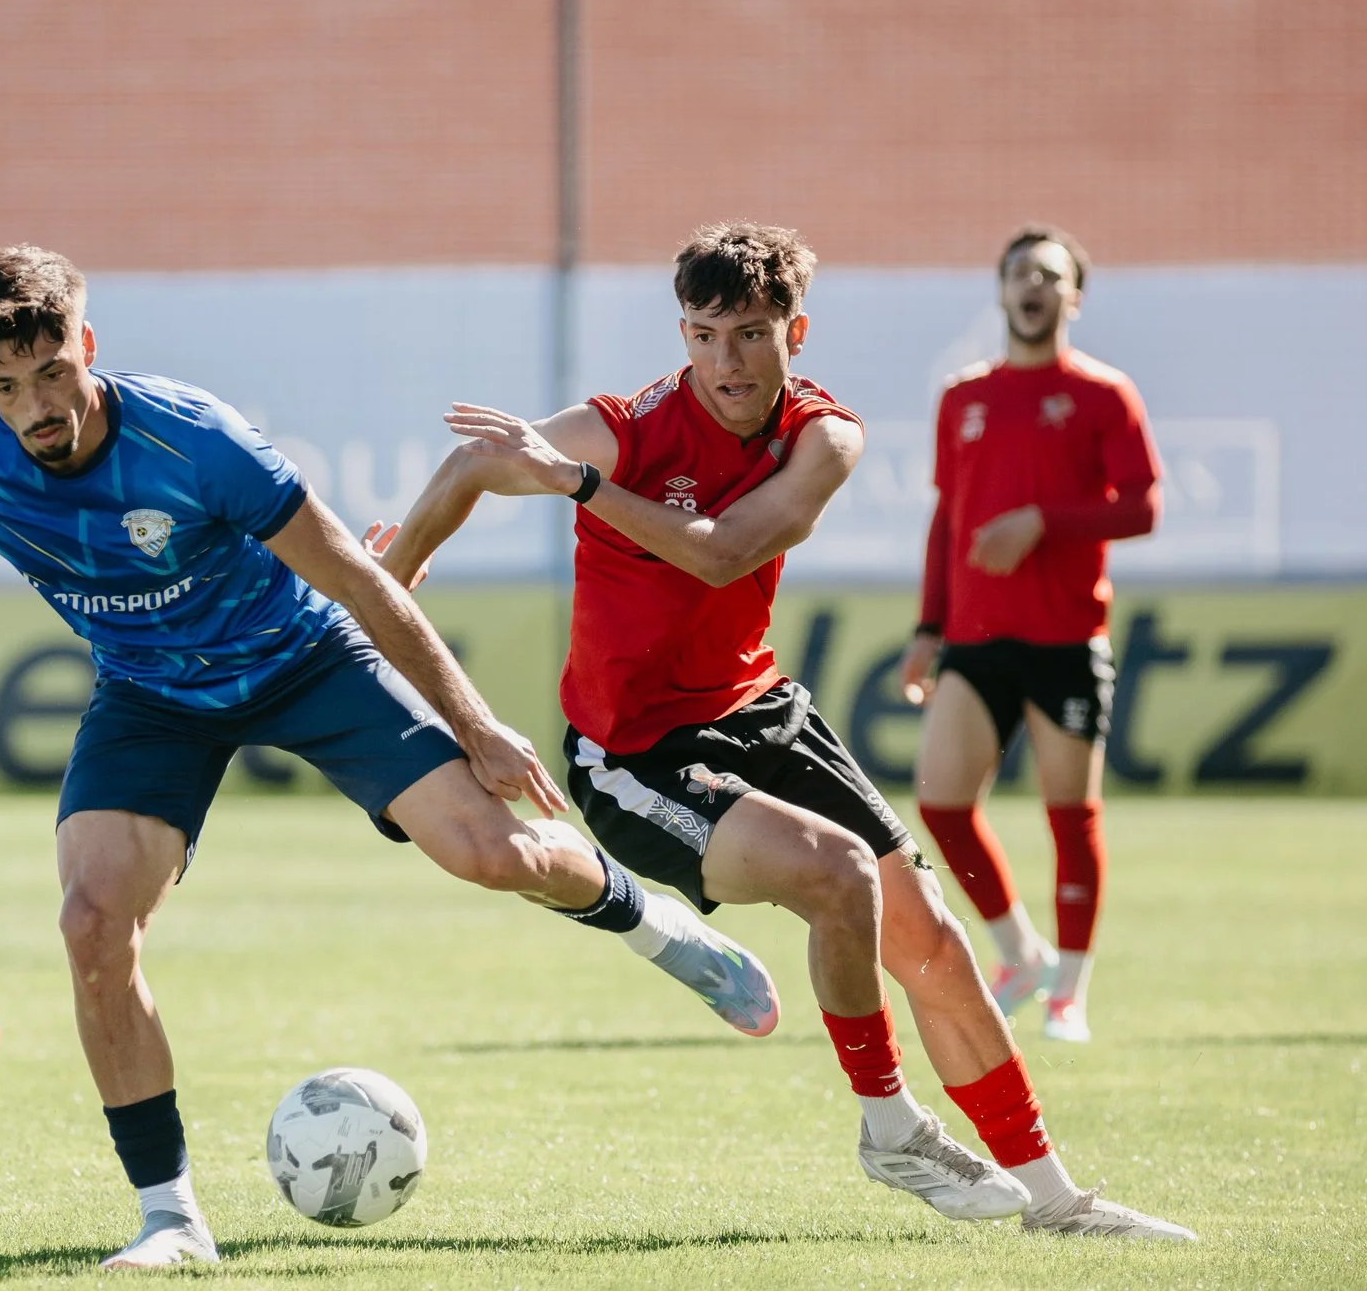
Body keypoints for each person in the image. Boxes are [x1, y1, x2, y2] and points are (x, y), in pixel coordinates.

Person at [0, 244, 781, 1269]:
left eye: (50, 372)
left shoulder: (192, 440)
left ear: (85, 347)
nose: (34, 409)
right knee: (92, 922)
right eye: (3, 387)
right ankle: (170, 1218)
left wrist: (478, 722)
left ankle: (652, 923)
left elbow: (352, 576)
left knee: (494, 853)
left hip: (306, 658)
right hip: (152, 697)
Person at [373, 222, 1190, 1239]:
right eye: (707, 334)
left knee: (933, 940)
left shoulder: (823, 435)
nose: (727, 360)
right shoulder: (625, 424)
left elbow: (723, 554)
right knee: (839, 873)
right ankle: (889, 1123)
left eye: (751, 333)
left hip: (762, 710)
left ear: (793, 331)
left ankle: (1057, 1202)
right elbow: (473, 464)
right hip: (633, 753)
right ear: (682, 334)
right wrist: (396, 570)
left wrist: (577, 485)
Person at [898, 226, 1160, 1044]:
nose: (1032, 285)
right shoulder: (962, 396)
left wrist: (1042, 522)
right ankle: (1020, 952)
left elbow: (1141, 506)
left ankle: (1069, 994)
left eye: (1049, 275)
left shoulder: (1103, 394)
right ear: (1003, 289)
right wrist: (928, 626)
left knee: (1068, 814)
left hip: (1065, 641)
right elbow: (948, 518)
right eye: (1019, 272)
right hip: (974, 637)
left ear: (1072, 296)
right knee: (939, 804)